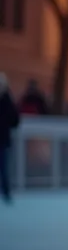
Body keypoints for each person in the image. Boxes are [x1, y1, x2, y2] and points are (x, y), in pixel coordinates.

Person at [0, 73, 20, 204]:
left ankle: (6, 192)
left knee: (4, 167)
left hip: (3, 140)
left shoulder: (8, 101)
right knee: (4, 167)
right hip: (4, 140)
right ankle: (6, 192)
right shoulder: (8, 100)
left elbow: (15, 120)